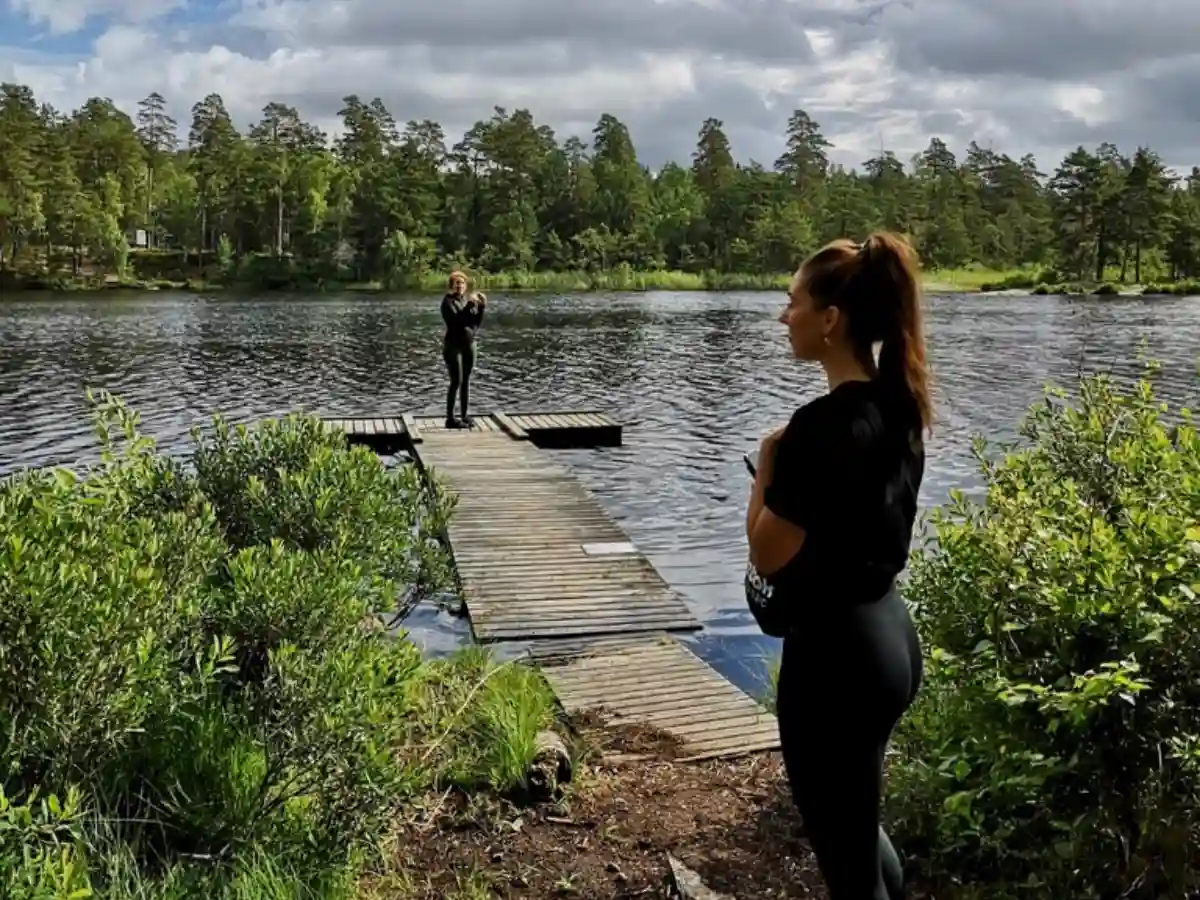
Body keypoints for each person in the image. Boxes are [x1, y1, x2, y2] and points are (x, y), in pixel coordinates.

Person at [743, 232, 930, 900]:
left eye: (791, 301)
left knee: (847, 866)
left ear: (830, 320)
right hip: (890, 638)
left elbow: (766, 550)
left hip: (836, 662)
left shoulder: (815, 429)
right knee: (860, 823)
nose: (782, 315)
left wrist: (767, 464)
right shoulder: (901, 405)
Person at [440, 271, 486, 428]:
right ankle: (450, 419)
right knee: (456, 381)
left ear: (466, 286)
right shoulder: (448, 302)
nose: (459, 286)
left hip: (469, 345)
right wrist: (469, 306)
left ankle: (464, 415)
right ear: (451, 285)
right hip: (453, 347)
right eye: (456, 283)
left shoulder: (465, 300)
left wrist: (481, 307)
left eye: (462, 283)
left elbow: (475, 323)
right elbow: (456, 322)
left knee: (466, 381)